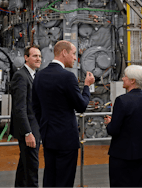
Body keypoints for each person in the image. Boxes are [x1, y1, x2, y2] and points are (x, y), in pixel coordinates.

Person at [32, 40, 95, 188]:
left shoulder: (39, 76)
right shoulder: (67, 77)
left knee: (50, 177)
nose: (75, 58)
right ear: (64, 52)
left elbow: (35, 106)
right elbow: (81, 106)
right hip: (66, 139)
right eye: (73, 54)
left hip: (48, 136)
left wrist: (45, 126)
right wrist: (86, 86)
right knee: (65, 180)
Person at [104, 65, 142, 188]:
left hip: (122, 154)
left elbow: (114, 130)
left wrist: (109, 123)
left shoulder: (122, 100)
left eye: (125, 76)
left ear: (132, 80)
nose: (123, 78)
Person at [9, 46, 42, 188]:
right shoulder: (21, 76)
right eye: (35, 56)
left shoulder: (34, 75)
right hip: (28, 130)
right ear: (26, 58)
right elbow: (20, 108)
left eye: (39, 56)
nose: (38, 59)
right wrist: (28, 133)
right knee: (32, 167)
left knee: (25, 166)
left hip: (35, 127)